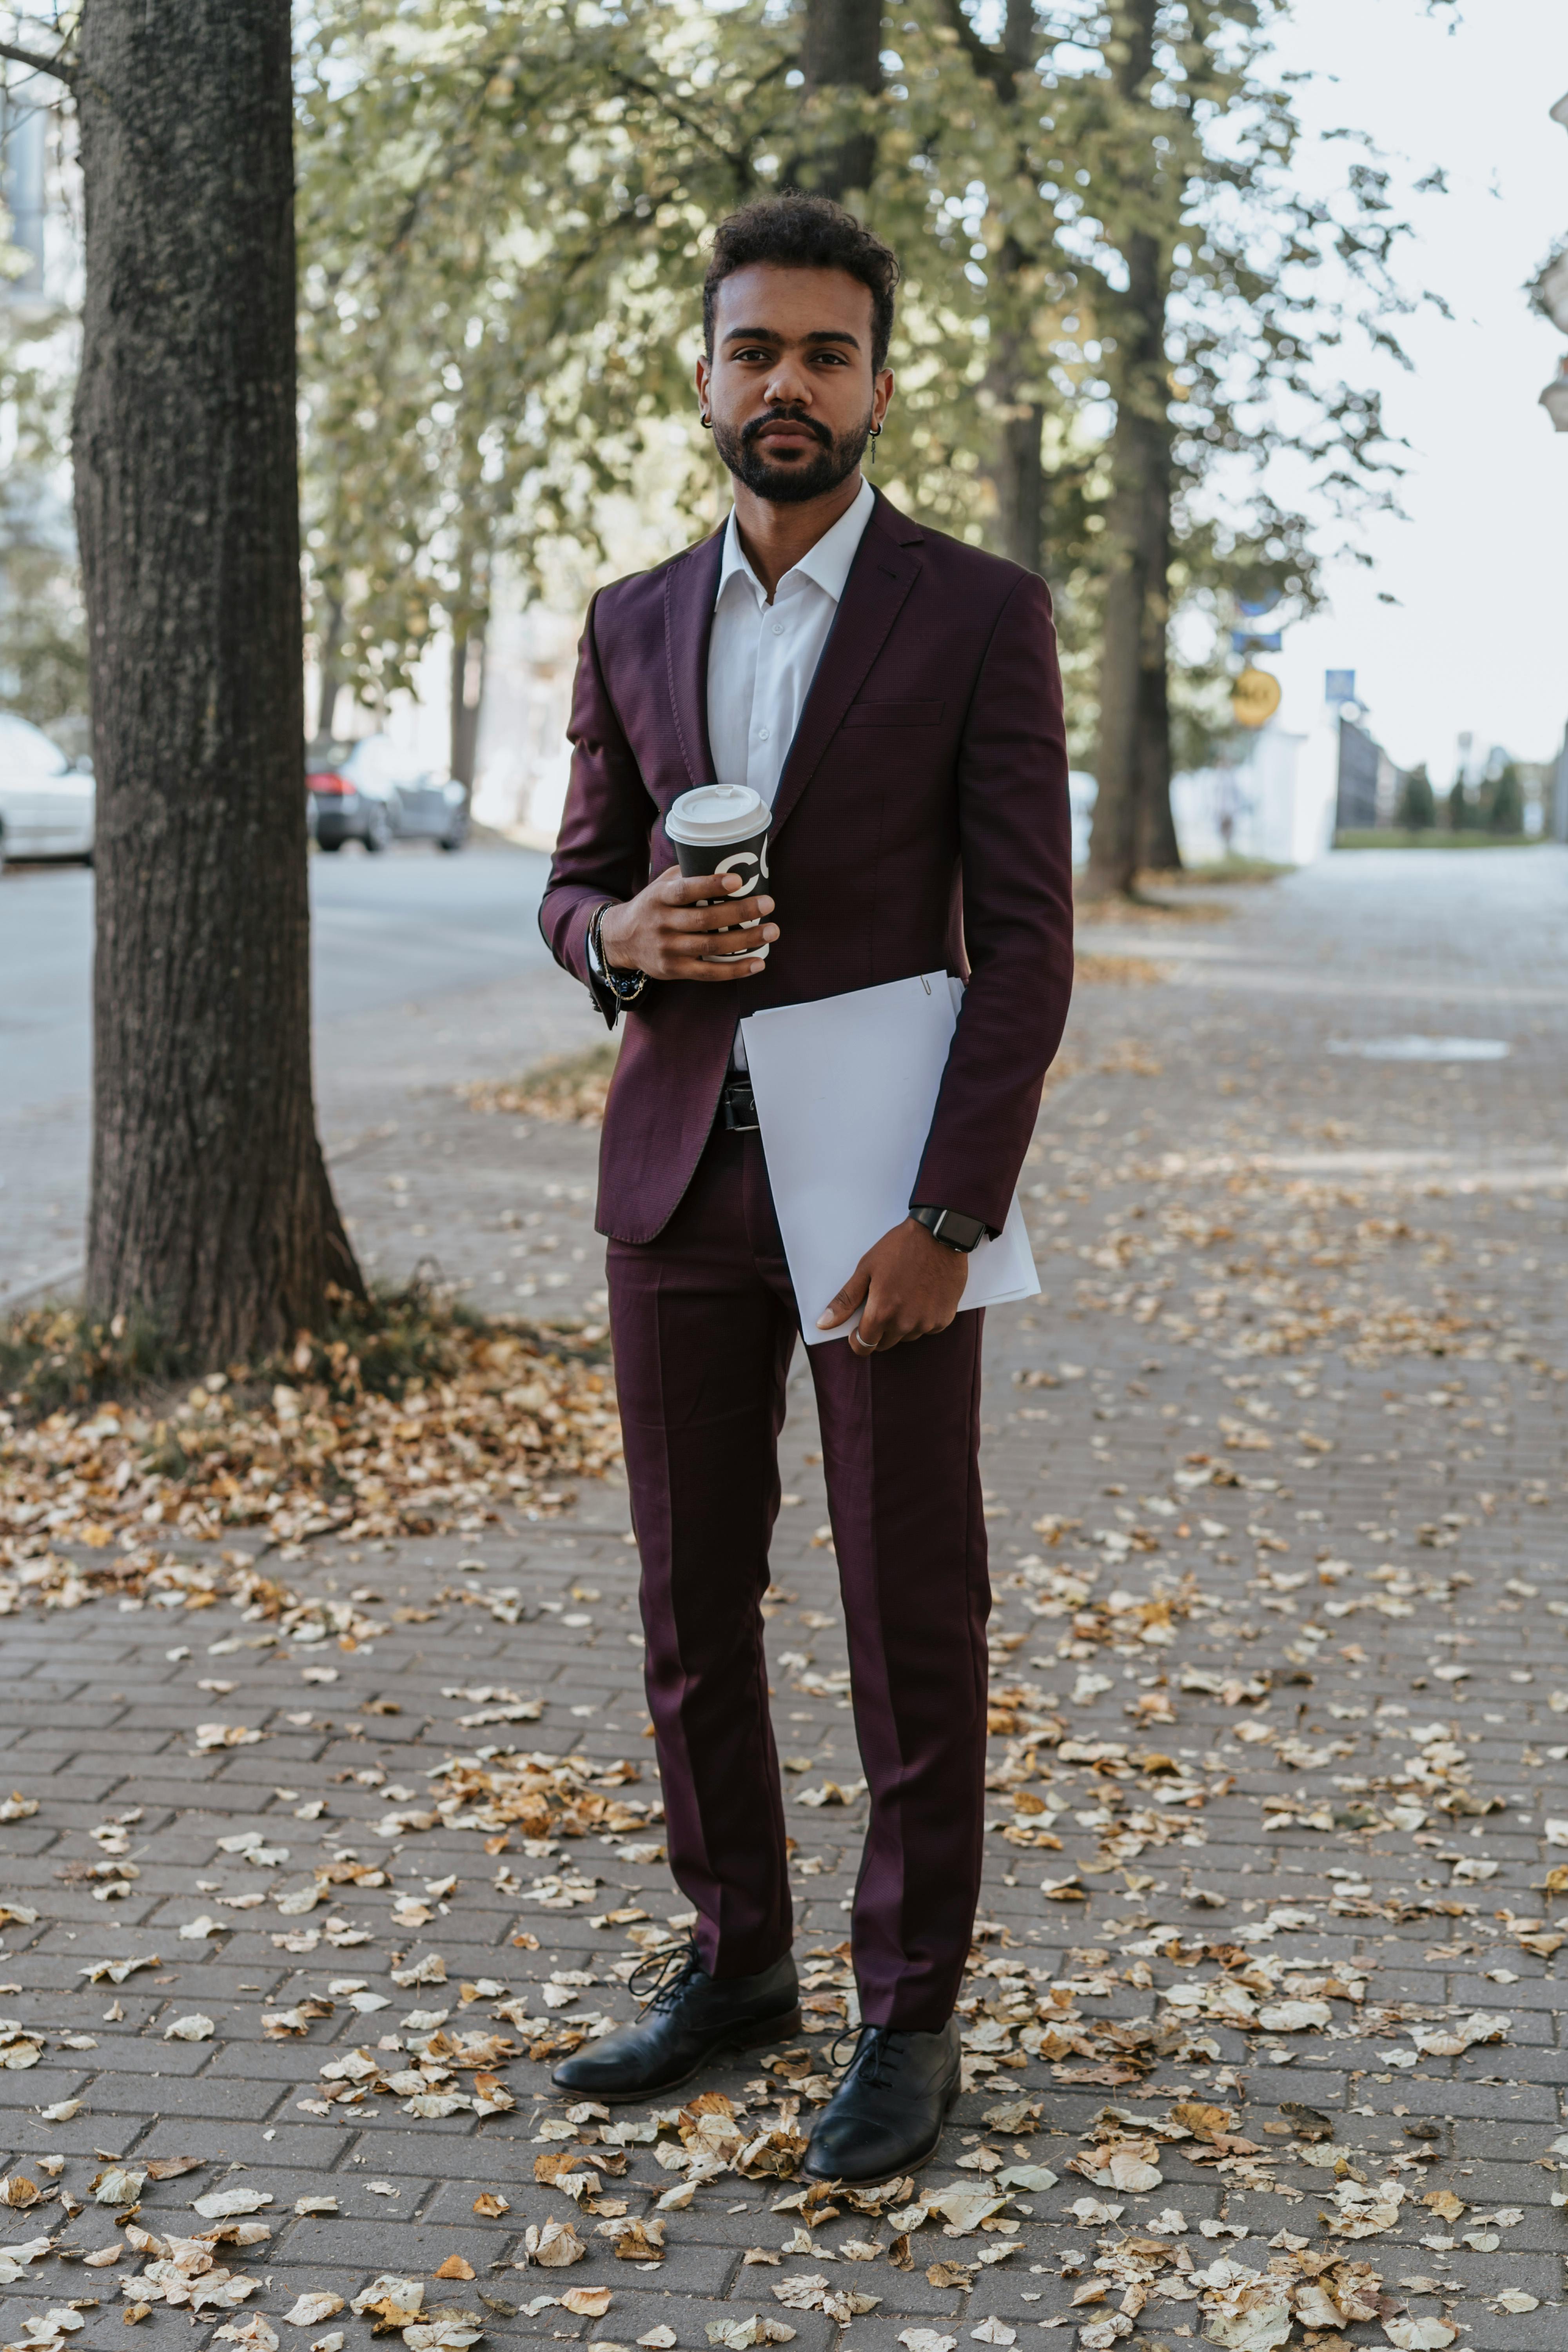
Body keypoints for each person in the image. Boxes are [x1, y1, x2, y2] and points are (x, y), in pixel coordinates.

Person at [539, 192, 1073, 2182]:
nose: (788, 384)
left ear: (873, 383)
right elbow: (571, 876)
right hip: (678, 1178)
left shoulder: (975, 612)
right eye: (754, 350)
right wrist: (619, 944)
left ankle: (908, 2012)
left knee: (905, 1608)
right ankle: (735, 1962)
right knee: (693, 1608)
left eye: (825, 353)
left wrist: (952, 1219)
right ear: (704, 374)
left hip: (879, 1194)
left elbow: (1025, 946)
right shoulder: (629, 619)